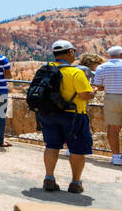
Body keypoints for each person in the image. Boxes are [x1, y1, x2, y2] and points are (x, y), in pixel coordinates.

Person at [28, 40, 95, 194]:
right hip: (73, 116)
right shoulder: (76, 72)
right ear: (70, 52)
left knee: (51, 146)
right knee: (77, 149)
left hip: (47, 113)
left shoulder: (45, 69)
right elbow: (85, 95)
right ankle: (75, 183)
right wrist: (94, 91)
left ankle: (49, 178)